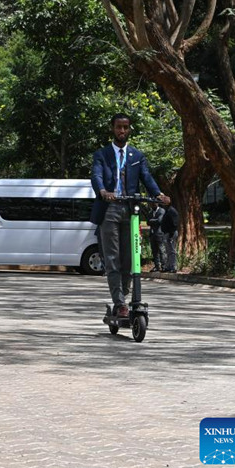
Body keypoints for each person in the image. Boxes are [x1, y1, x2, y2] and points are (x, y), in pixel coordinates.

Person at [90, 113, 169, 318]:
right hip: (109, 209)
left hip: (130, 209)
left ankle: (124, 296)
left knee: (130, 258)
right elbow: (96, 176)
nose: (122, 131)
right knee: (113, 258)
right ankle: (119, 303)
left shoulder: (137, 156)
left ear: (129, 129)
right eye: (118, 127)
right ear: (112, 128)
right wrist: (103, 191)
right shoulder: (102, 154)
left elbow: (147, 177)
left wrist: (158, 194)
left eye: (125, 127)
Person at [147, 201, 166, 272]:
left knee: (161, 250)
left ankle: (164, 266)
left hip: (159, 233)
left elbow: (159, 221)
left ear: (157, 203)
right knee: (154, 251)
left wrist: (151, 220)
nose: (152, 205)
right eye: (151, 204)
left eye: (153, 203)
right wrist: (153, 221)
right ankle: (157, 266)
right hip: (152, 234)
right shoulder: (150, 212)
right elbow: (147, 222)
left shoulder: (161, 210)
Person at [161, 202, 179, 273]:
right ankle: (168, 266)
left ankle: (173, 267)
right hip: (167, 233)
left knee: (172, 251)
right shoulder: (167, 210)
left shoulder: (172, 211)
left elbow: (175, 223)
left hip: (171, 233)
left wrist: (171, 234)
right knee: (168, 251)